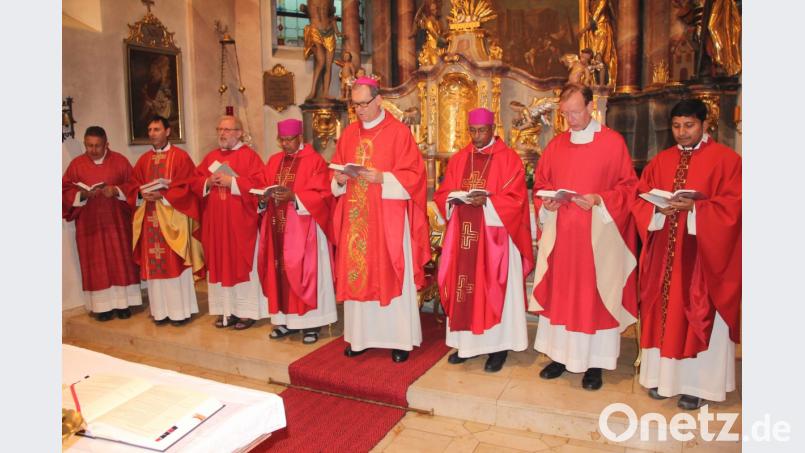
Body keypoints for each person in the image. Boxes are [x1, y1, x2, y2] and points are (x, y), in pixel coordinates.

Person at [630, 99, 741, 410]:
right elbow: (639, 199)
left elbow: (735, 207)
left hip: (702, 259)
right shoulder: (661, 161)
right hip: (665, 253)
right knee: (663, 313)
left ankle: (697, 385)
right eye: (677, 126)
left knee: (696, 315)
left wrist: (697, 208)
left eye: (689, 126)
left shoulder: (726, 160)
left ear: (705, 125)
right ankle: (664, 381)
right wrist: (656, 207)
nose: (682, 132)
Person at [531, 83, 638, 390]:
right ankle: (560, 356)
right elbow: (542, 183)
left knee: (593, 299)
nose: (571, 119)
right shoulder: (557, 145)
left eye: (576, 111)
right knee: (562, 296)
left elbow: (629, 187)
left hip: (598, 240)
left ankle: (596, 364)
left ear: (591, 106)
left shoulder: (612, 143)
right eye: (565, 114)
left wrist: (599, 199)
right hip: (563, 238)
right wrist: (547, 202)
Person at [331, 76, 430, 363]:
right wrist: (338, 179)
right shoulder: (349, 134)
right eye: (355, 104)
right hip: (357, 219)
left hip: (388, 221)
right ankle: (360, 338)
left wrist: (383, 178)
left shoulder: (398, 133)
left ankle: (399, 339)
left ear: (378, 100)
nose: (359, 110)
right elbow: (335, 170)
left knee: (390, 272)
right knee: (359, 272)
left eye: (363, 104)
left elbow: (415, 176)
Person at [434, 108, 535, 373]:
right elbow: (442, 192)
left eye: (481, 131)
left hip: (495, 240)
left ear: (493, 129)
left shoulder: (509, 159)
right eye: (472, 131)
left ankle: (498, 347)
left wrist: (488, 201)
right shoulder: (459, 159)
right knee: (464, 289)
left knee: (493, 290)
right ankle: (466, 346)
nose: (476, 137)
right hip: (463, 239)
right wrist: (452, 199)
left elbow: (516, 200)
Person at [258, 119, 337, 344]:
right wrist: (263, 196)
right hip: (277, 227)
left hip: (306, 230)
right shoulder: (274, 161)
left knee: (306, 275)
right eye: (281, 140)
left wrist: (295, 197)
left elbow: (324, 194)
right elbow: (263, 184)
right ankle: (285, 322)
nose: (284, 144)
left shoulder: (315, 162)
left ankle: (311, 323)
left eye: (289, 140)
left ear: (300, 138)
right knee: (279, 273)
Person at [127, 115, 204, 326]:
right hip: (149, 220)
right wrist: (142, 195)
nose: (152, 133)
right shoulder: (143, 160)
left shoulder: (180, 157)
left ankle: (181, 312)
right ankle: (160, 312)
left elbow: (189, 185)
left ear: (167, 131)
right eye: (150, 130)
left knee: (174, 263)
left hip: (173, 221)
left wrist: (164, 196)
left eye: (157, 129)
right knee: (155, 267)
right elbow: (132, 187)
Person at [192, 115, 267, 330]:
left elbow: (259, 185)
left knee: (241, 264)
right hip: (216, 224)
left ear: (239, 133)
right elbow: (195, 181)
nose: (222, 134)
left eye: (227, 129)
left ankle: (246, 312)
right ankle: (227, 310)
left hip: (240, 225)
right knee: (220, 263)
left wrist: (232, 182)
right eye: (220, 129)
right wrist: (208, 182)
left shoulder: (250, 157)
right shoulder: (211, 157)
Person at [62, 126, 142, 320]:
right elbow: (64, 191)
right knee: (96, 265)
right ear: (85, 144)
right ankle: (101, 307)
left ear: (107, 144)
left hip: (117, 224)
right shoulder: (76, 165)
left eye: (97, 146)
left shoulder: (120, 162)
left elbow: (134, 187)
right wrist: (82, 194)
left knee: (120, 261)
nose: (93, 150)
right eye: (89, 145)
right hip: (90, 226)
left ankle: (124, 304)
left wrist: (116, 191)